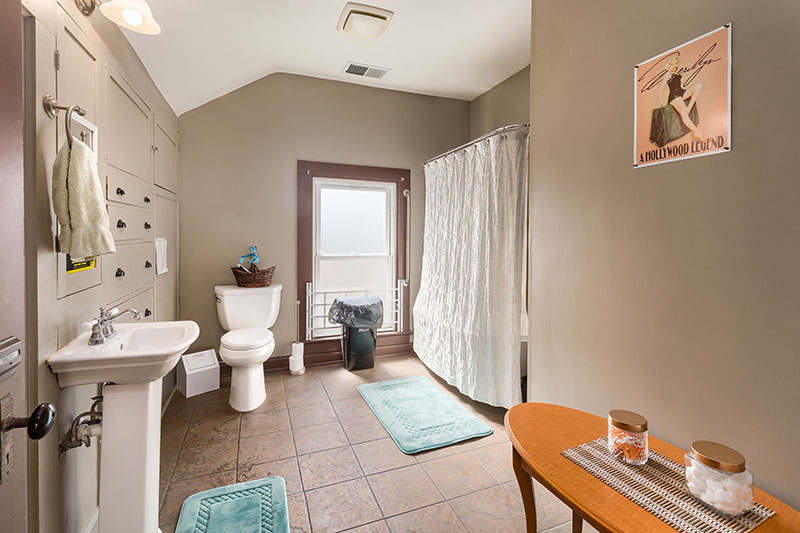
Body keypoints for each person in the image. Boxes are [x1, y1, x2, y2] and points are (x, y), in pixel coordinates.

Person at [659, 55, 704, 139]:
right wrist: (662, 101)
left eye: (675, 64)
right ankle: (698, 132)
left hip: (681, 92)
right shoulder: (667, 74)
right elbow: (661, 88)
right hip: (674, 97)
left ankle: (689, 108)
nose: (674, 66)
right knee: (684, 114)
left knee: (699, 85)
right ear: (669, 65)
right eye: (672, 64)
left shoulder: (676, 73)